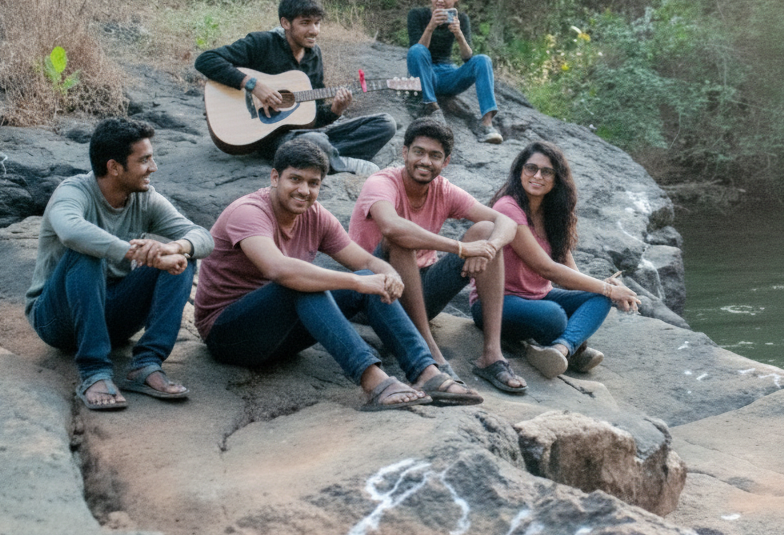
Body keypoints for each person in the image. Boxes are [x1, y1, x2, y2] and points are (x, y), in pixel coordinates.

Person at [194, 137, 483, 409]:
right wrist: (358, 282)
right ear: (274, 177)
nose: (304, 190)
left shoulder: (315, 215)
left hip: (279, 337)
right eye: (295, 179)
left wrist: (385, 273)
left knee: (366, 284)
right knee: (303, 283)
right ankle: (374, 383)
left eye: (313, 183)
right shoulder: (249, 212)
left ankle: (426, 372)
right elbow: (278, 269)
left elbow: (364, 261)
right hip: (229, 336)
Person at [25, 118, 215, 411]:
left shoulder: (145, 198)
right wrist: (134, 253)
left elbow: (203, 236)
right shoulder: (73, 192)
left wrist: (173, 248)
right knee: (86, 252)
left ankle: (146, 365)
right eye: (144, 160)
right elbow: (72, 232)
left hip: (113, 316)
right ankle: (94, 372)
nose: (153, 167)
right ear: (114, 167)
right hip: (58, 319)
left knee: (180, 260)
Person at [348, 117, 526, 394]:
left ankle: (492, 355)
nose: (425, 161)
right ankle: (430, 353)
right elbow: (391, 226)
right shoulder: (382, 182)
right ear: (405, 152)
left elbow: (506, 223)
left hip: (421, 292)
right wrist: (462, 249)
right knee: (400, 238)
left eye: (435, 156)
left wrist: (487, 247)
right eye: (418, 152)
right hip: (374, 292)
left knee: (485, 230)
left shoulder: (443, 189)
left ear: (445, 162)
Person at [480, 141, 641, 378]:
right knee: (553, 314)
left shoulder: (554, 214)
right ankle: (575, 349)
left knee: (598, 298)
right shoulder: (508, 207)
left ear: (557, 179)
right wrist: (608, 289)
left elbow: (569, 278)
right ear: (519, 172)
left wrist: (606, 287)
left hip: (539, 297)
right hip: (498, 303)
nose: (537, 176)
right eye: (530, 168)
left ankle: (559, 349)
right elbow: (545, 268)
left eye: (546, 171)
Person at [195, 0, 397, 174]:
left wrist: (336, 110)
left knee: (386, 123)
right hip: (267, 138)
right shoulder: (262, 43)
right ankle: (338, 160)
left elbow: (313, 116)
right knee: (313, 141)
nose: (314, 30)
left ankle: (326, 156)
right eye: (305, 23)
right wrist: (254, 85)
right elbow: (206, 60)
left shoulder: (314, 55)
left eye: (317, 23)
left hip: (300, 134)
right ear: (285, 23)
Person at [406, 0, 503, 144]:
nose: (440, 0)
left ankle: (487, 124)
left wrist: (459, 35)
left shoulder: (462, 19)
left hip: (448, 74)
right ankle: (431, 108)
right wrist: (430, 27)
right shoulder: (417, 15)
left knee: (483, 60)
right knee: (416, 51)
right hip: (424, 74)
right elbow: (416, 51)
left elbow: (468, 58)